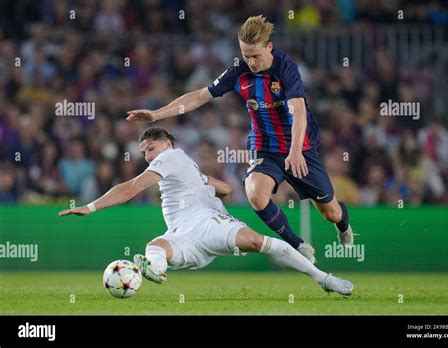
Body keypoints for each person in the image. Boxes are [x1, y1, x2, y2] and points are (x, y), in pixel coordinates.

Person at [126, 15, 356, 264]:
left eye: (255, 55)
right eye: (246, 55)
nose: (251, 62)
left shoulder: (286, 69)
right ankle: (297, 244)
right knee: (256, 194)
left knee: (330, 212)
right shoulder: (238, 73)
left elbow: (298, 111)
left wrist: (296, 150)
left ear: (269, 46)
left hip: (300, 148)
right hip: (264, 148)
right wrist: (155, 114)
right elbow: (198, 97)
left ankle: (343, 222)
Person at [58, 127, 353, 296]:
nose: (148, 156)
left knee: (256, 242)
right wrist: (206, 183)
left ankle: (324, 279)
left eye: (151, 148)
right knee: (156, 245)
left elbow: (130, 188)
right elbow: (225, 188)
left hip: (208, 223)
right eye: (144, 152)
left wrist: (91, 206)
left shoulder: (171, 156)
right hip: (183, 235)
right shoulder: (180, 165)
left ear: (167, 144)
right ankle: (153, 269)